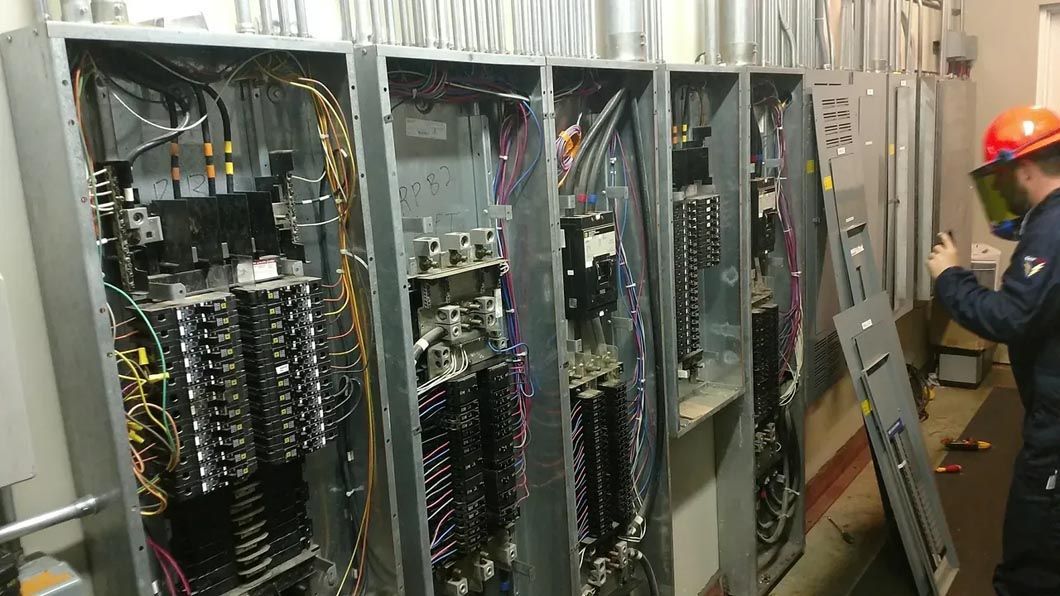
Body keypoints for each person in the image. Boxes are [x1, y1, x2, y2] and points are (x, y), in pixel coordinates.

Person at [927, 106, 1060, 596]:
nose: (1000, 190)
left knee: (1033, 556)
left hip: (1056, 424)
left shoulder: (1052, 228)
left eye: (1002, 177)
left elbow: (1010, 317)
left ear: (1023, 167)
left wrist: (950, 277)